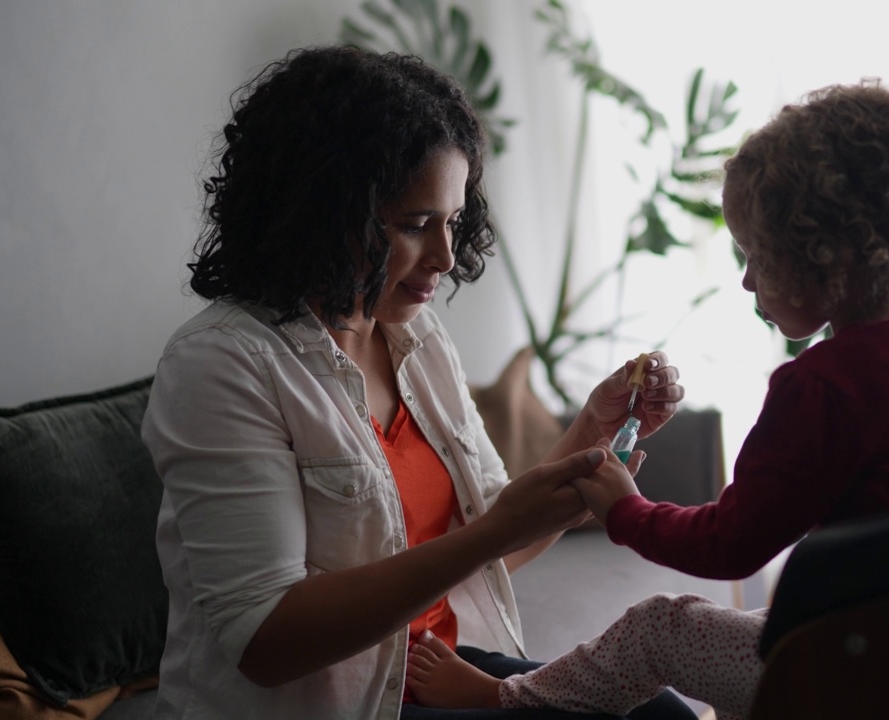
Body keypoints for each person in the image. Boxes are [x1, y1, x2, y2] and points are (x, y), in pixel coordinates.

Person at [402, 78, 889, 719]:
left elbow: (730, 546)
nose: (747, 281)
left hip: (867, 665)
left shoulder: (820, 387)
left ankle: (499, 697)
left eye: (756, 256)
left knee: (658, 629)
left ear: (820, 255)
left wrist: (624, 511)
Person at [139, 45, 697, 720]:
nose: (444, 257)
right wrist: (491, 534)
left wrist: (593, 433)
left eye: (454, 222)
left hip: (435, 677)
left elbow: (493, 544)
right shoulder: (222, 364)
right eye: (414, 225)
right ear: (321, 211)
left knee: (659, 711)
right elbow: (264, 640)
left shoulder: (416, 335)